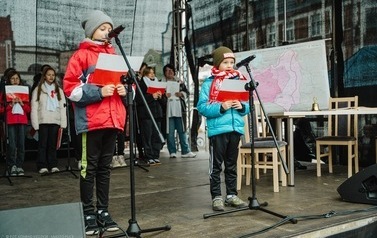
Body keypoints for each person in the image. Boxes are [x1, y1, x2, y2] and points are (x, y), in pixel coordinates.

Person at [63, 9, 127, 235]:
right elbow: (71, 90)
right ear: (92, 30)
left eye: (109, 28)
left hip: (112, 120)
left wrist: (123, 89)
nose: (107, 32)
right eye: (103, 28)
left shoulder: (115, 56)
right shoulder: (80, 57)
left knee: (104, 169)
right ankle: (87, 212)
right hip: (91, 122)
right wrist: (99, 92)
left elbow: (128, 85)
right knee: (88, 169)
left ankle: (103, 210)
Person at [197, 46, 250, 211]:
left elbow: (248, 106)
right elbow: (202, 107)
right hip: (218, 130)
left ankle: (231, 195)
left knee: (232, 164)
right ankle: (217, 197)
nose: (229, 65)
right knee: (216, 166)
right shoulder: (209, 83)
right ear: (217, 64)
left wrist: (241, 105)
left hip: (235, 129)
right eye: (225, 62)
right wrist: (222, 106)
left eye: (232, 62)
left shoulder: (239, 81)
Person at [31, 66, 67, 174]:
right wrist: (35, 124)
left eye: (53, 75)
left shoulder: (59, 90)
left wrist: (63, 123)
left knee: (52, 144)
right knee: (43, 144)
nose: (51, 77)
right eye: (48, 75)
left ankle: (53, 164)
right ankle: (42, 165)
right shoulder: (38, 90)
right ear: (44, 76)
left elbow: (62, 107)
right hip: (43, 120)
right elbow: (34, 107)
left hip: (55, 120)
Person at [163, 64, 196, 158]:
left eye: (171, 70)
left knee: (182, 131)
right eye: (167, 70)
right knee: (170, 132)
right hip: (168, 110)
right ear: (164, 73)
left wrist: (181, 93)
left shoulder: (179, 81)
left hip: (179, 109)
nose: (170, 72)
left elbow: (187, 92)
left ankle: (185, 151)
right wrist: (165, 95)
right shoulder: (162, 83)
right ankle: (172, 151)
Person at [135, 66, 166, 165]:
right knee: (147, 136)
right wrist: (151, 96)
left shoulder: (158, 83)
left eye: (153, 73)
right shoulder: (141, 84)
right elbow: (139, 100)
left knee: (156, 136)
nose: (152, 75)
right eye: (150, 73)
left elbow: (164, 102)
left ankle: (156, 155)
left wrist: (161, 97)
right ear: (145, 74)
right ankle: (148, 156)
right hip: (146, 115)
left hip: (157, 114)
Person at [4, 70, 31, 176]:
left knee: (21, 144)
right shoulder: (5, 93)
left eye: (17, 78)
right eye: (12, 78)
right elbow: (1, 109)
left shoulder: (24, 92)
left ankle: (19, 165)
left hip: (22, 121)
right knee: (12, 144)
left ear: (20, 80)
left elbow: (29, 110)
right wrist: (10, 105)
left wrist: (22, 103)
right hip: (10, 121)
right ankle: (12, 165)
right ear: (9, 80)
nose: (15, 81)